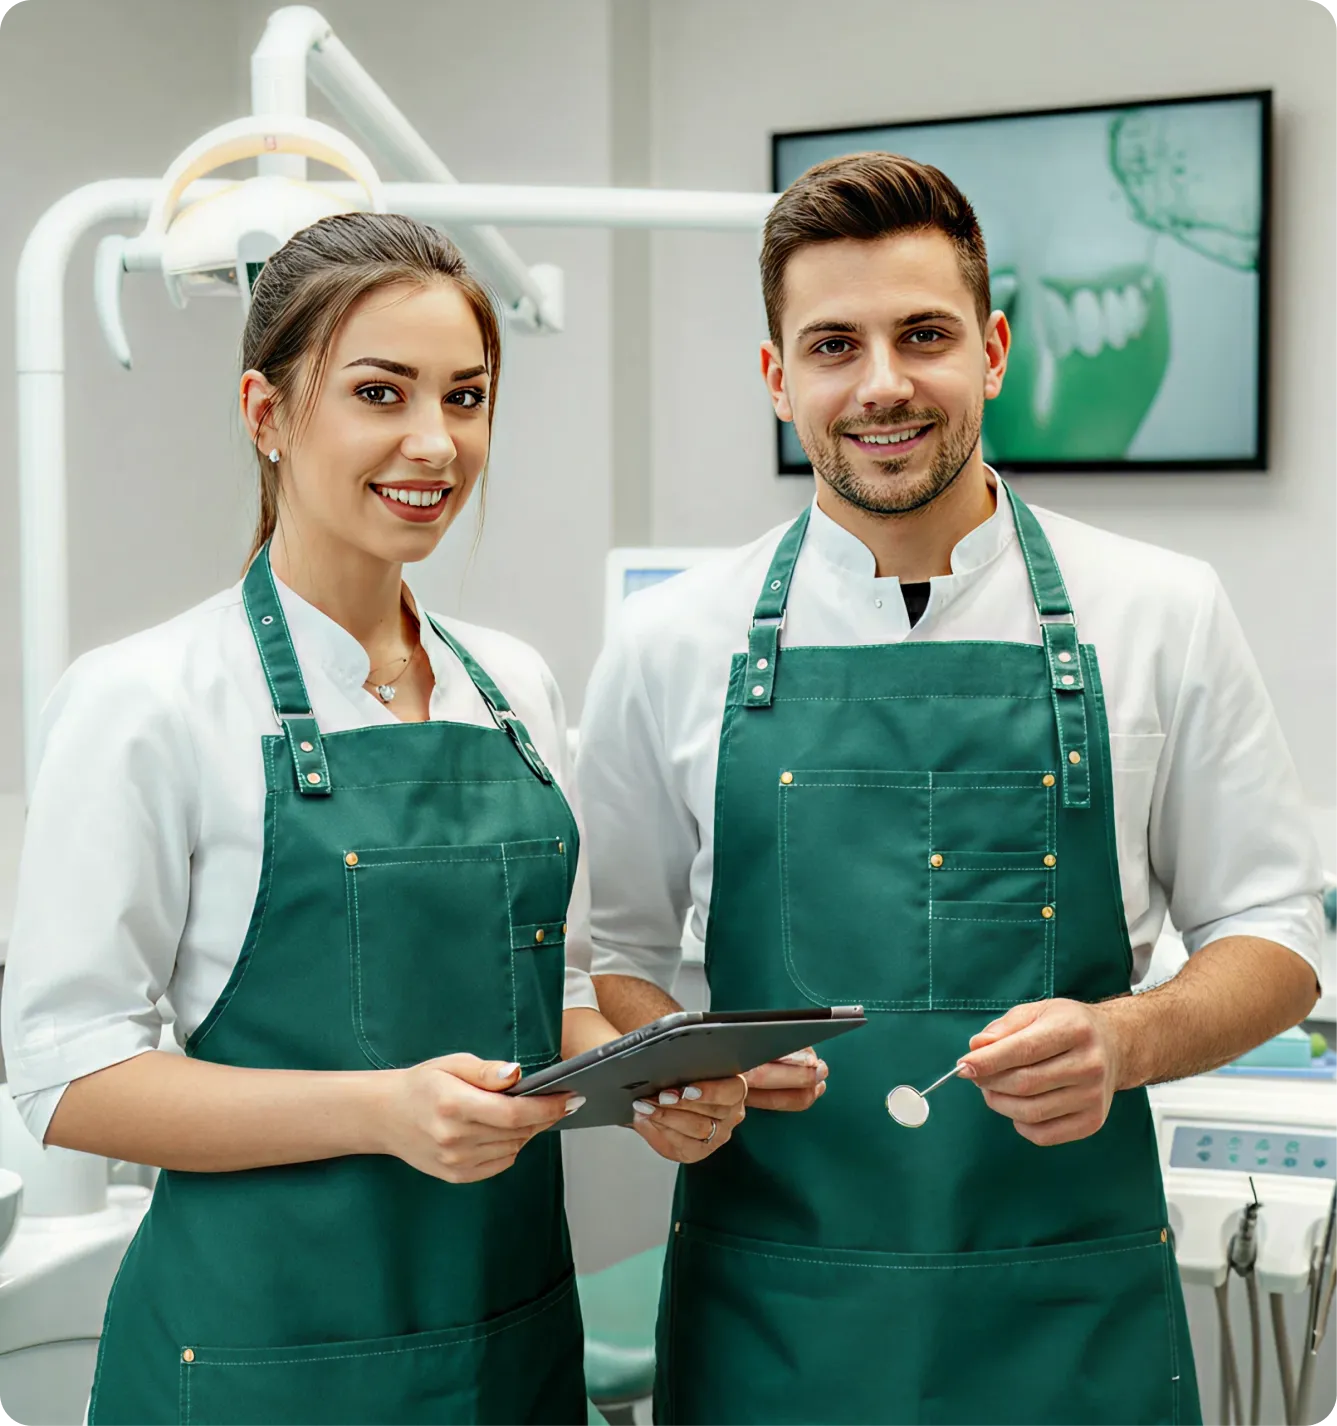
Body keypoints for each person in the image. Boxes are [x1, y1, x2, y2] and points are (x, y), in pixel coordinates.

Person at [574, 154, 1323, 1425]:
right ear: (776, 381)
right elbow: (607, 954)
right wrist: (669, 1081)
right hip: (775, 1321)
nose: (879, 384)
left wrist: (1122, 1038)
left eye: (921, 334)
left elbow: (1275, 934)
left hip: (1065, 1316)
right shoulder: (671, 643)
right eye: (830, 345)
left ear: (990, 348)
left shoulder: (1157, 610)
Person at [0, 212, 746, 1426]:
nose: (433, 440)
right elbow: (70, 1078)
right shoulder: (147, 699)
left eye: (466, 396)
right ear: (266, 413)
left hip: (503, 1344)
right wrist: (380, 1111)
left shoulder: (510, 685)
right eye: (380, 392)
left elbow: (546, 999)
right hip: (257, 1360)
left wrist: (658, 1085)